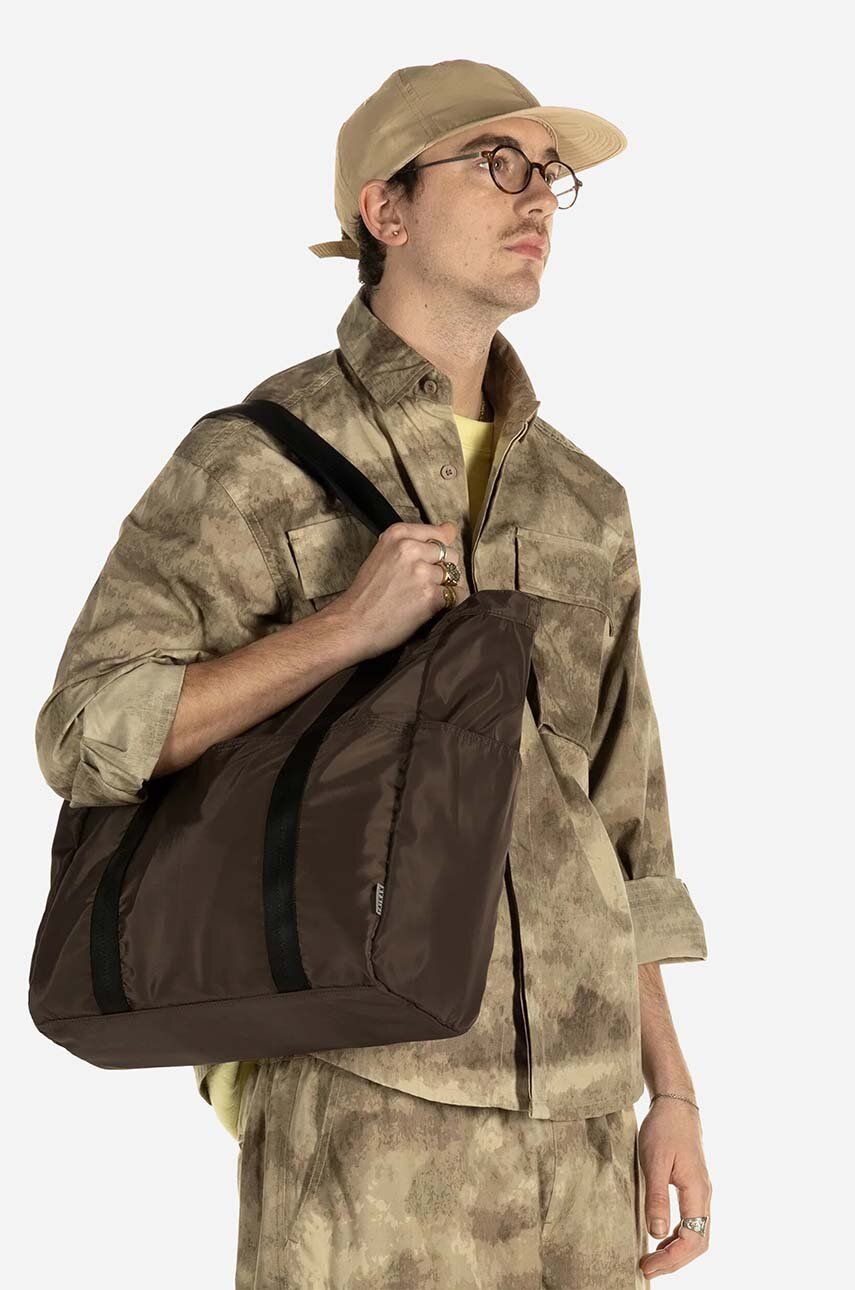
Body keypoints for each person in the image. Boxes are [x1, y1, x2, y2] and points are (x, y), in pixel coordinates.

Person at [35, 58, 712, 1289]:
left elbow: (626, 826)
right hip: (360, 1097)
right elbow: (88, 732)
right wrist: (344, 629)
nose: (537, 196)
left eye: (549, 173)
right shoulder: (257, 463)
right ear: (384, 210)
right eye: (496, 163)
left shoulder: (584, 502)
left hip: (580, 1118)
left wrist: (671, 1093)